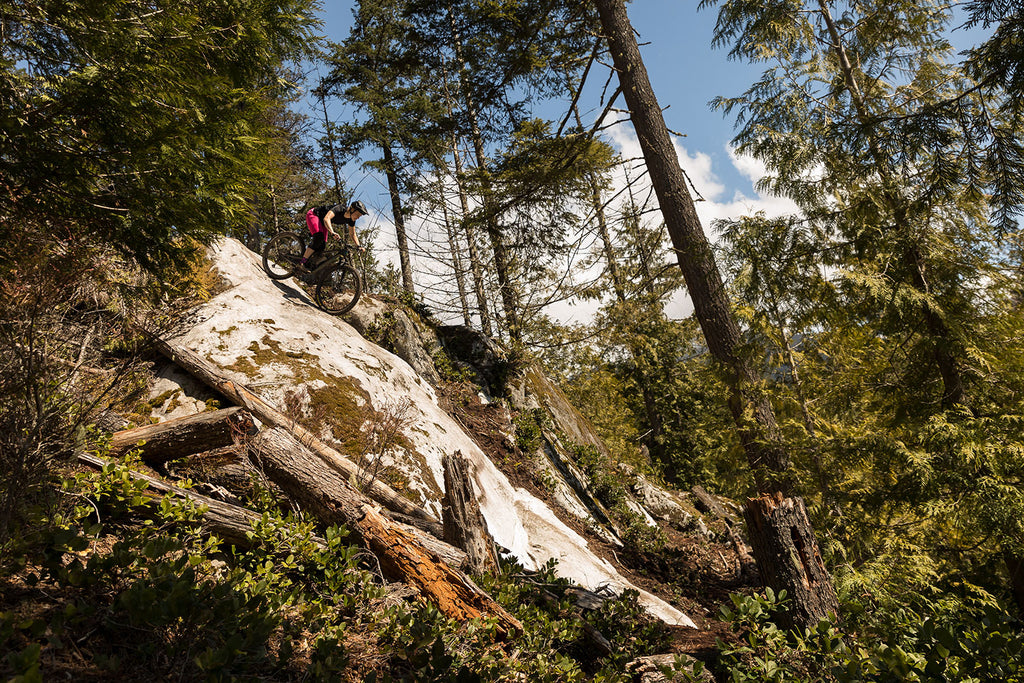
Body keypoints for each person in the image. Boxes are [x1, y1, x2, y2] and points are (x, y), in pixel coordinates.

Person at [298, 199, 367, 272]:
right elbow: (326, 218)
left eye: (360, 216)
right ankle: (301, 263)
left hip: (323, 223)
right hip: (314, 215)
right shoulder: (340, 209)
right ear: (352, 209)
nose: (358, 217)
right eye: (357, 215)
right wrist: (332, 232)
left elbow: (352, 234)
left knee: (322, 246)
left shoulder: (351, 220)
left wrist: (359, 246)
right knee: (319, 238)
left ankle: (309, 264)